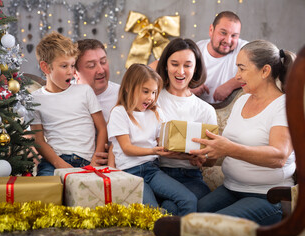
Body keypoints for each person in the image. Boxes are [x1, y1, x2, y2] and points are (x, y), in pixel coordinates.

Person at [190, 40, 296, 225]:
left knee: (207, 227)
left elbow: (278, 156)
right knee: (189, 215)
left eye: (242, 68)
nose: (237, 76)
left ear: (265, 71)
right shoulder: (241, 100)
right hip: (231, 188)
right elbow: (229, 145)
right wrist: (207, 157)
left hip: (268, 196)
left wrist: (228, 149)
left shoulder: (284, 105)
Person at [107, 63, 197, 215]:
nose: (151, 98)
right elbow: (126, 148)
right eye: (145, 91)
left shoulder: (156, 113)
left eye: (154, 92)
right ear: (128, 87)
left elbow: (164, 145)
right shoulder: (119, 113)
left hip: (152, 169)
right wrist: (153, 150)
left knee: (189, 200)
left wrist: (187, 154)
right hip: (129, 173)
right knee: (152, 213)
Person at [28, 31, 107, 176]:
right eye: (64, 66)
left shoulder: (84, 92)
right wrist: (59, 164)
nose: (70, 72)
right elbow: (38, 140)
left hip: (85, 161)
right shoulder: (34, 99)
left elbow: (102, 128)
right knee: (46, 191)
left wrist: (96, 159)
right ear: (45, 67)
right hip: (54, 162)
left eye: (72, 65)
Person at [155, 38, 218, 207]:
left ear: (195, 68)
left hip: (191, 177)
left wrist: (202, 158)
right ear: (166, 65)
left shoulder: (205, 110)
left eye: (187, 65)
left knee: (173, 206)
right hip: (157, 174)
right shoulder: (152, 100)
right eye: (174, 64)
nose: (180, 71)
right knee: (170, 207)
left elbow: (212, 158)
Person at [191, 11, 248, 104]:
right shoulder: (195, 51)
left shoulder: (245, 49)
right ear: (211, 30)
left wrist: (231, 84)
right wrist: (187, 89)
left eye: (234, 35)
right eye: (223, 33)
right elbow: (165, 70)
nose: (228, 40)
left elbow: (264, 68)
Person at [74, 39, 120, 123]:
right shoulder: (64, 95)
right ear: (74, 72)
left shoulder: (123, 96)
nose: (101, 71)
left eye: (103, 62)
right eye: (91, 65)